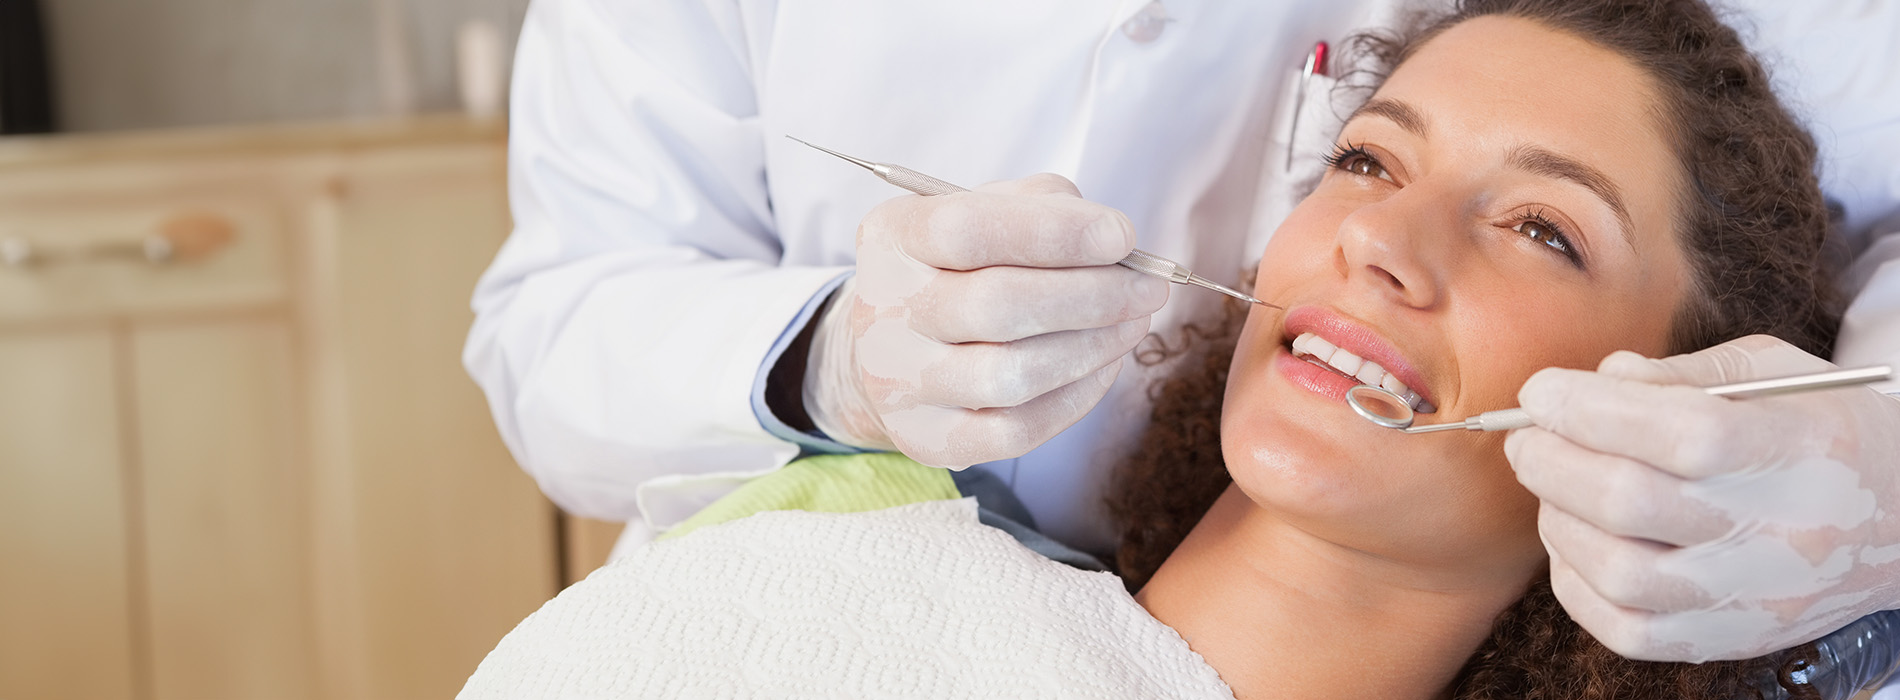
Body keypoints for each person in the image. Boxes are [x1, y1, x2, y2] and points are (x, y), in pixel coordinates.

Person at [460, 2, 1861, 696]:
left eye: (1545, 231)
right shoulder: (756, 635)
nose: (1380, 241)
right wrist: (831, 358)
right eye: (1365, 159)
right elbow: (552, 314)